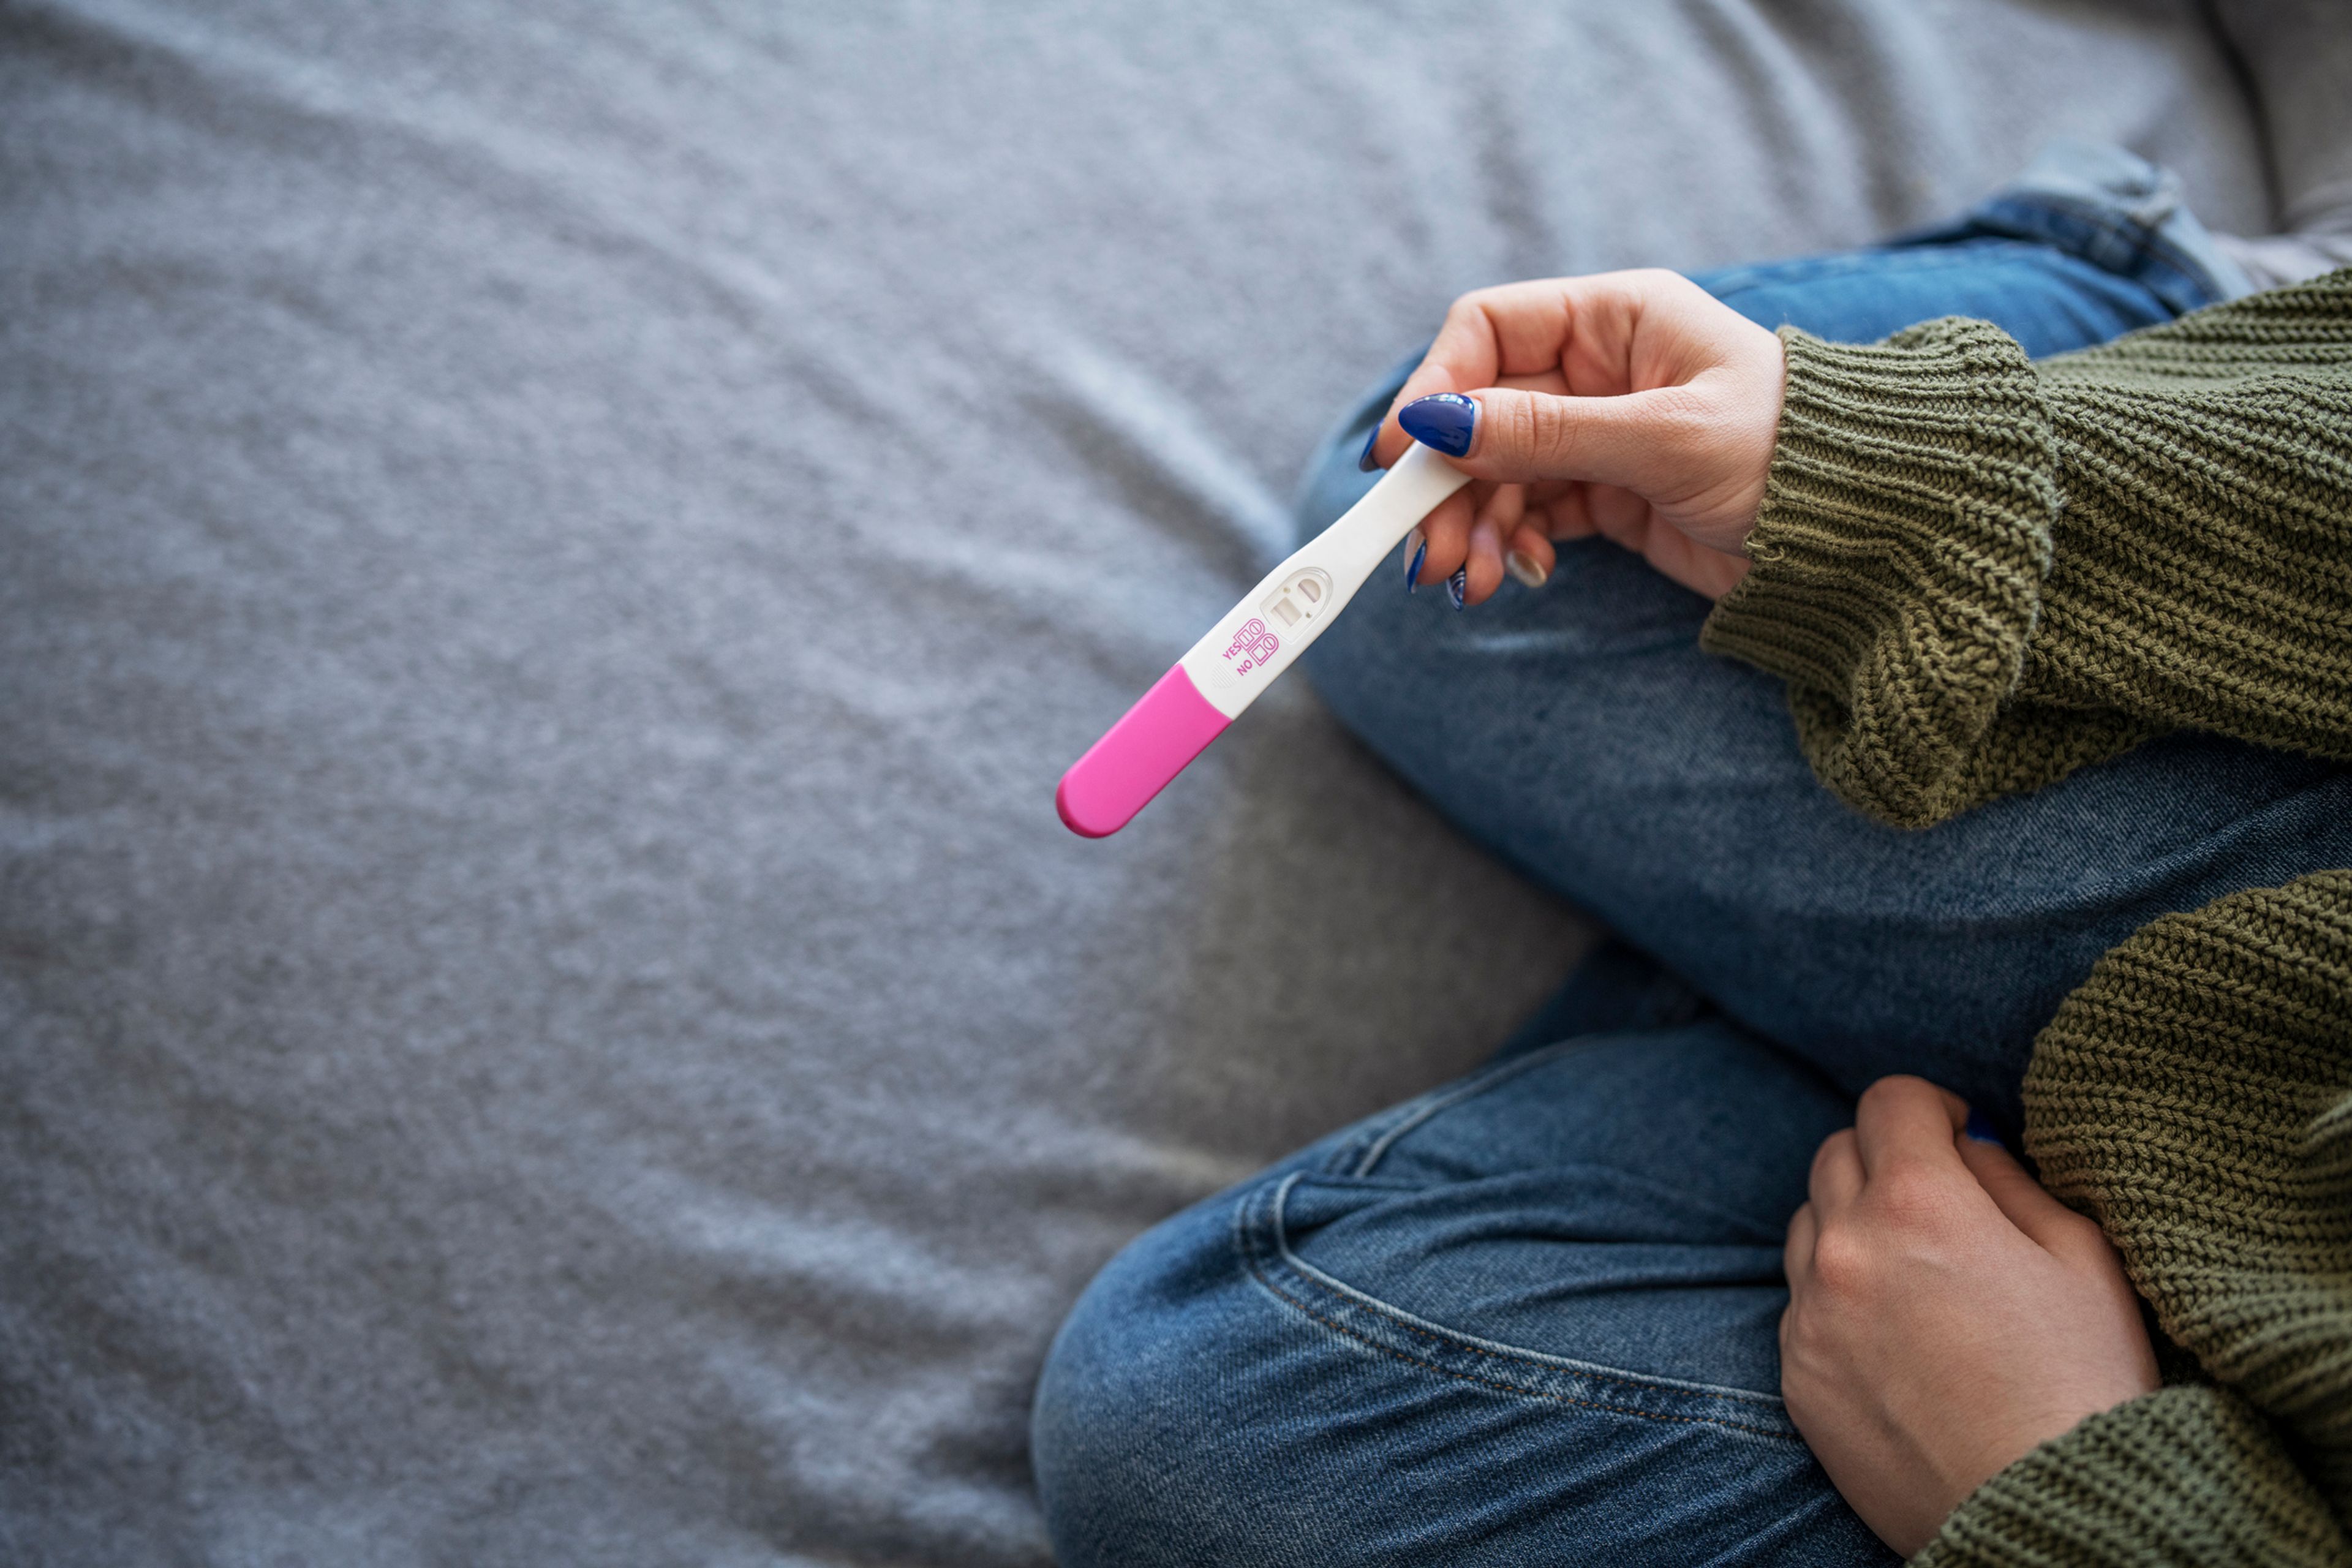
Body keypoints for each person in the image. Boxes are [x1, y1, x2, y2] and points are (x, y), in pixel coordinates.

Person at [1030, 144, 2352, 1565]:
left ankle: (1827, 1030)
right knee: (1463, 497)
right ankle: (2209, 328)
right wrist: (1889, 473)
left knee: (1180, 1419)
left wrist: (2062, 1487)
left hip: (2229, 1408)